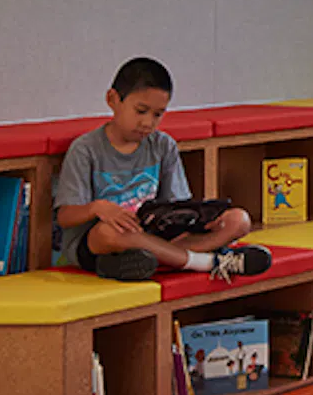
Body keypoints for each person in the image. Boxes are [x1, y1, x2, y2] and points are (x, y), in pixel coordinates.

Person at [52, 58, 264, 281]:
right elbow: (65, 217)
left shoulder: (163, 145)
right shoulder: (86, 150)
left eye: (157, 114)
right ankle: (207, 262)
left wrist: (201, 220)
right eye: (141, 111)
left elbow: (175, 204)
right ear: (113, 100)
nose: (148, 123)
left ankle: (143, 260)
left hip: (153, 236)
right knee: (110, 232)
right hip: (101, 241)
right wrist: (97, 208)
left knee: (239, 220)